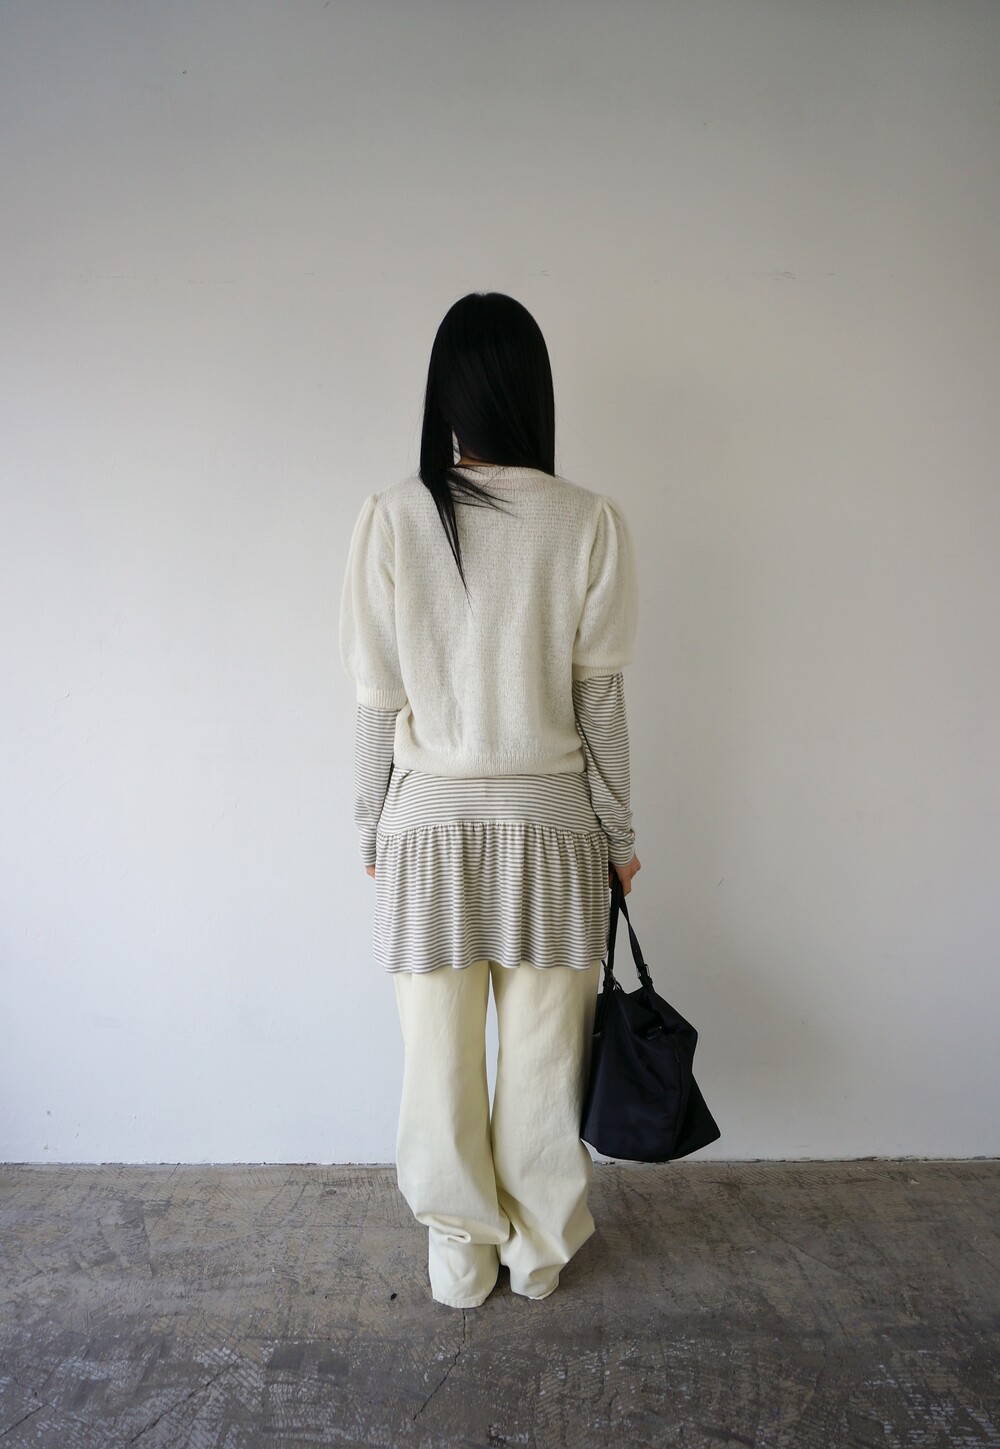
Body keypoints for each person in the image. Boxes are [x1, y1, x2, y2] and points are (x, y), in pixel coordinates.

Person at [338, 291, 641, 1308]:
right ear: (531, 391)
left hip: (426, 835)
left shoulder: (391, 518)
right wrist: (620, 836)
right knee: (547, 1060)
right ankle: (538, 1254)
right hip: (552, 831)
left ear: (445, 396)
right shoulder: (588, 521)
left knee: (437, 1061)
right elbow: (601, 704)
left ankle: (459, 1257)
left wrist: (370, 826)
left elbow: (376, 700)